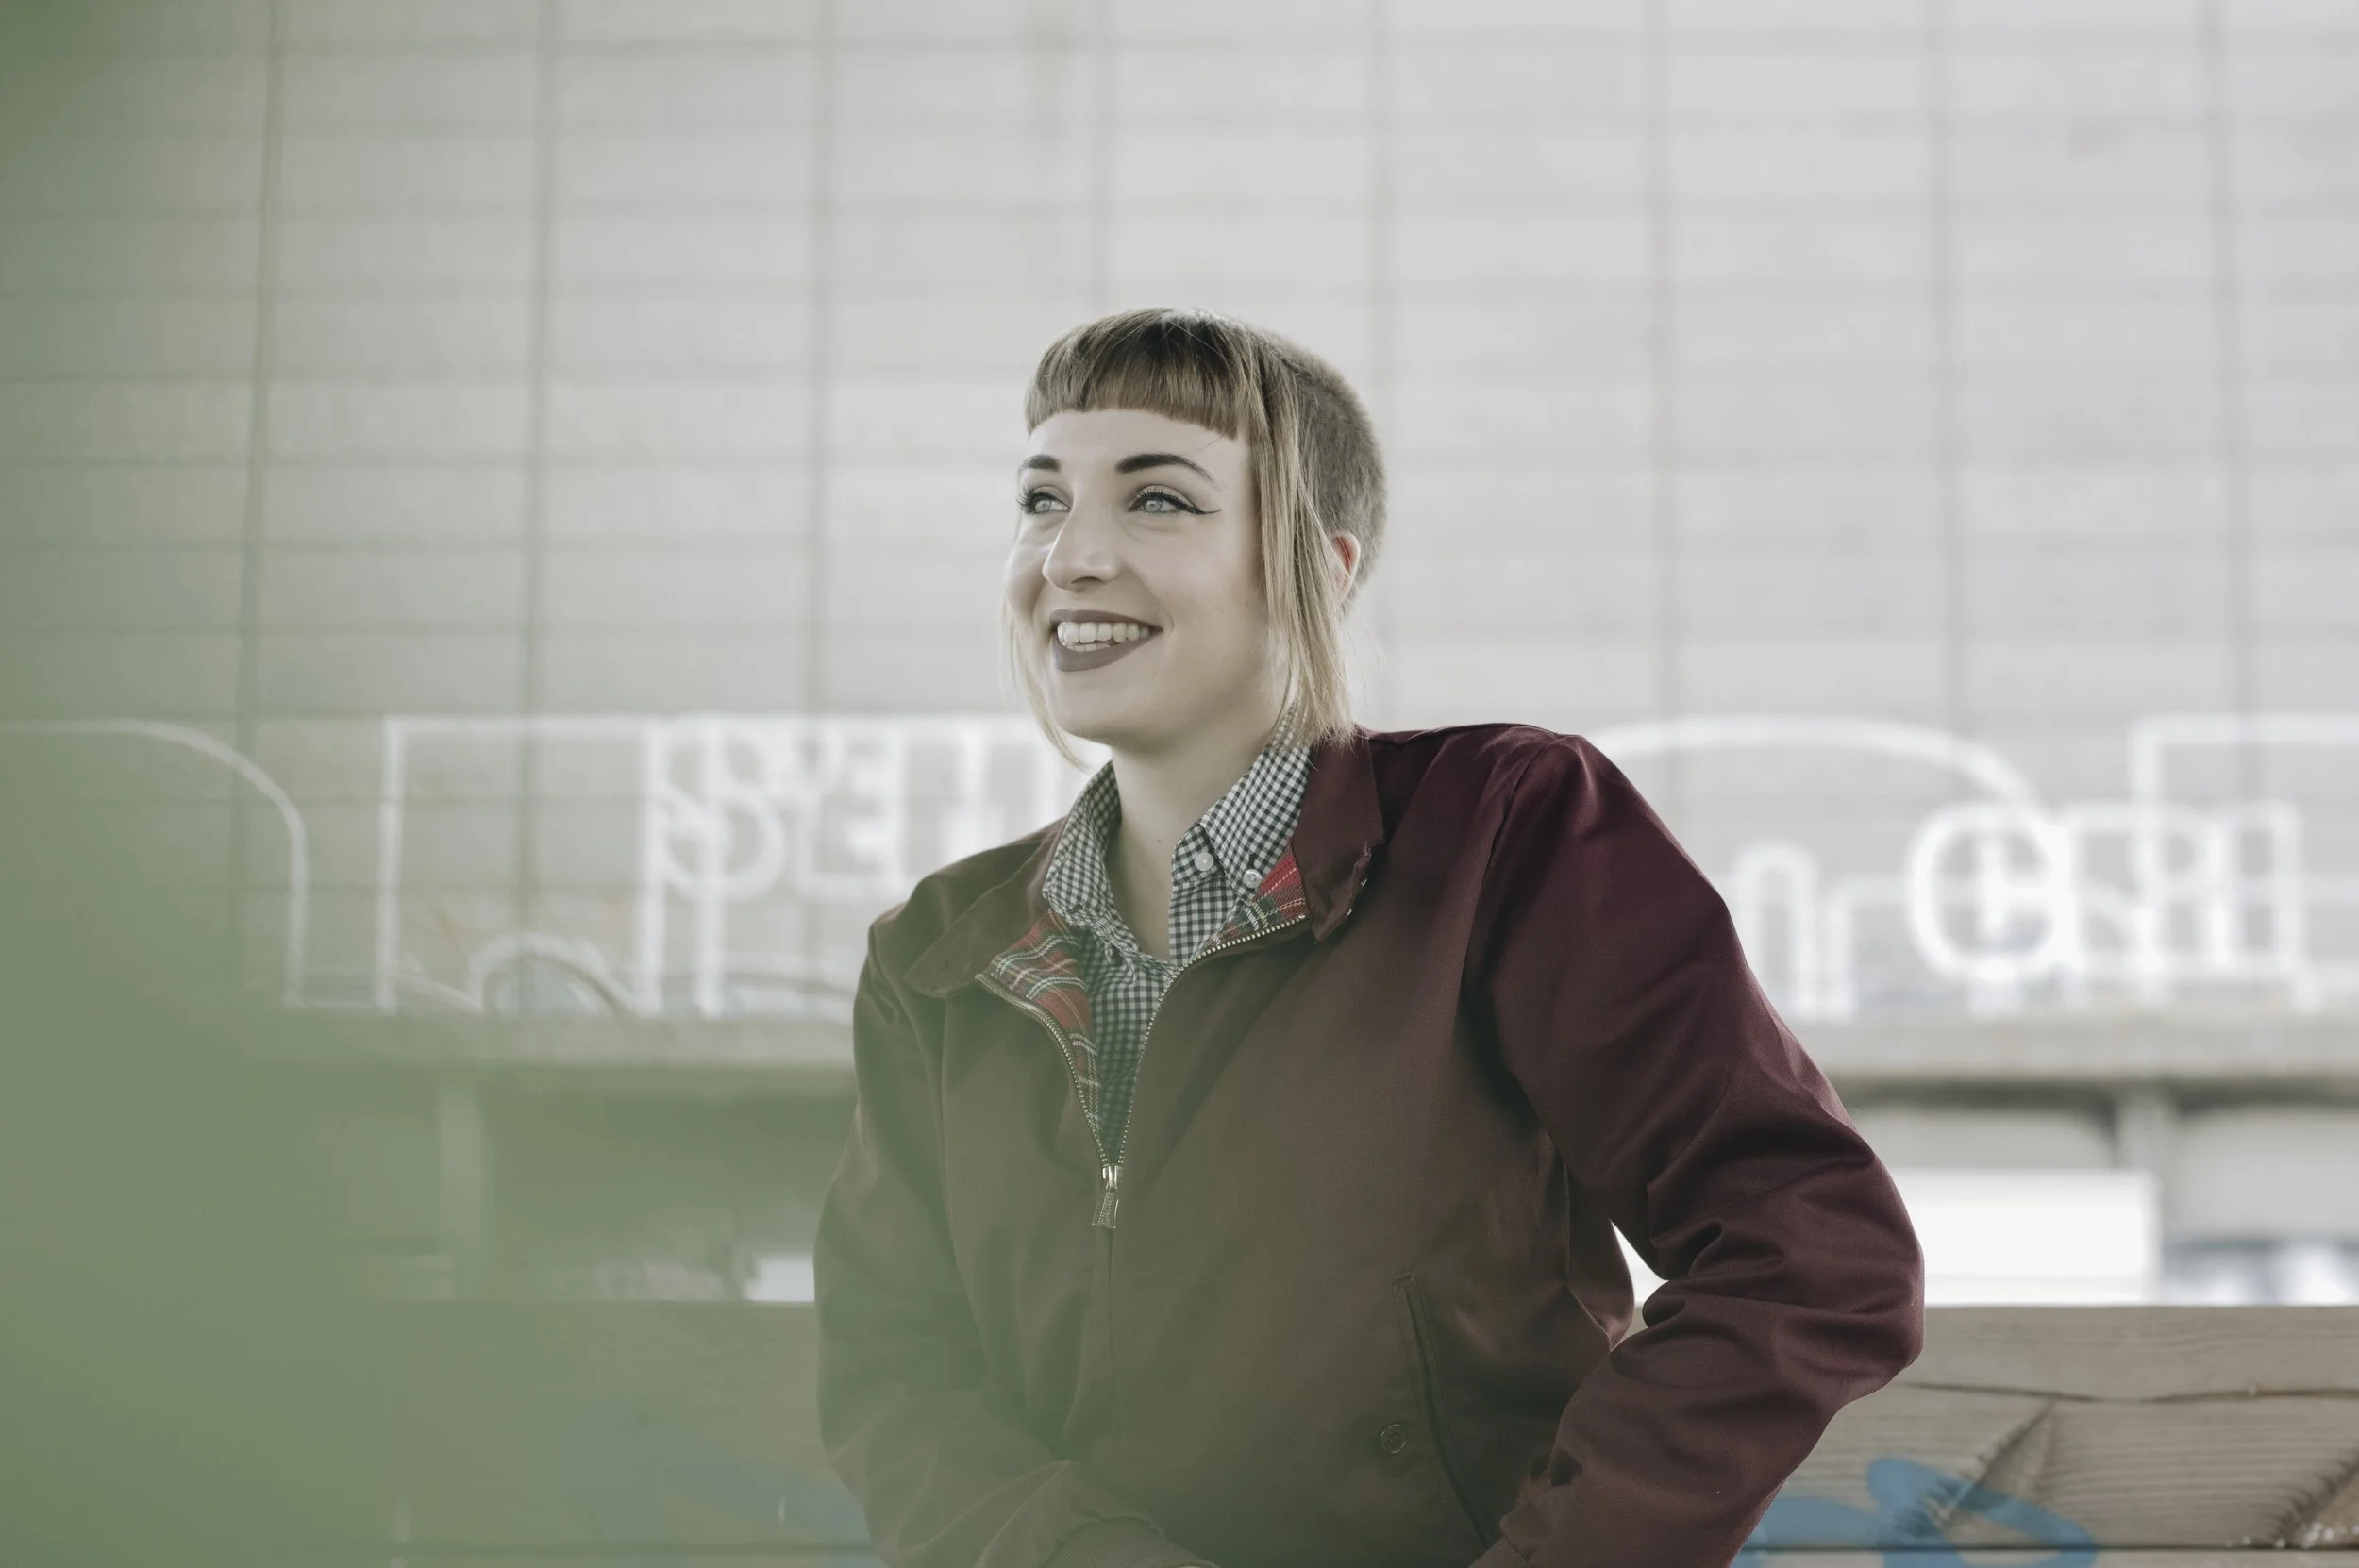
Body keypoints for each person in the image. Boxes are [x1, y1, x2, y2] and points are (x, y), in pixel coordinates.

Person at [813, 307, 1924, 1568]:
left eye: (1158, 501)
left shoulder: (1506, 836)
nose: (1070, 555)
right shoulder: (941, 956)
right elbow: (894, 1368)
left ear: (1321, 568)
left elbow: (1811, 1245)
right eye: (1040, 498)